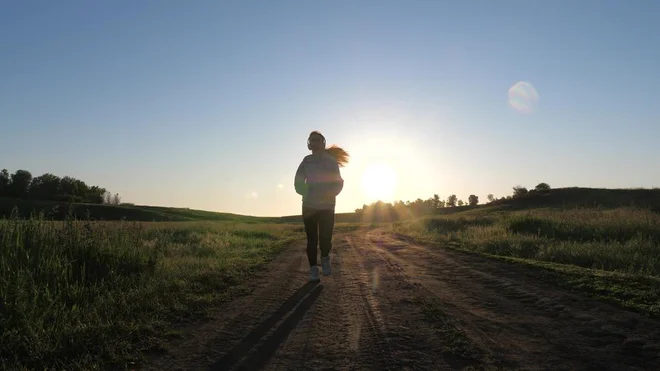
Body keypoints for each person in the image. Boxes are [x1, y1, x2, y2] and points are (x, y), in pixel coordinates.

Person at [294, 130, 349, 282]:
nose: (314, 143)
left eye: (317, 140)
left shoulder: (330, 161)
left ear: (323, 143)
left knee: (325, 239)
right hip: (309, 206)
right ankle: (313, 270)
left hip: (327, 207)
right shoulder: (306, 161)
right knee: (311, 240)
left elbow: (339, 181)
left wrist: (330, 194)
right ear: (309, 144)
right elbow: (298, 181)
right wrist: (307, 192)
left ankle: (325, 257)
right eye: (312, 140)